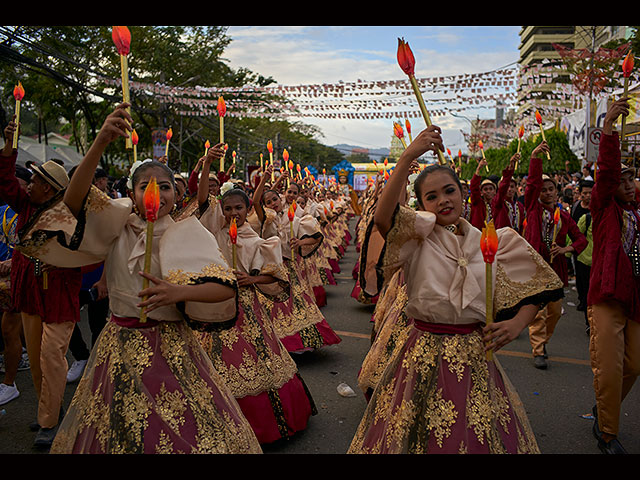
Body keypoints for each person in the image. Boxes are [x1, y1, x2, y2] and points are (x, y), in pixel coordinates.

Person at [17, 104, 261, 454]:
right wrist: (100, 142)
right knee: (119, 429)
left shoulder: (188, 231)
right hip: (118, 343)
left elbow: (223, 287)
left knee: (179, 430)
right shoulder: (117, 225)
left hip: (172, 346)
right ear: (130, 194)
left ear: (177, 196)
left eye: (164, 187)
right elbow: (74, 201)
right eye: (144, 186)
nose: (155, 193)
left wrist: (177, 291)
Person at [348, 125, 564, 454]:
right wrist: (408, 156)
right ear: (420, 205)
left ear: (462, 193)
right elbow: (383, 218)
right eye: (431, 197)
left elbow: (538, 286)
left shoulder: (494, 241)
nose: (443, 201)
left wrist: (517, 323)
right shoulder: (418, 234)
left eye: (449, 191)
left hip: (475, 355)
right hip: (422, 353)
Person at [196, 160, 316, 443]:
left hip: (248, 310)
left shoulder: (257, 241)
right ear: (221, 211)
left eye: (239, 208)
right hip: (216, 308)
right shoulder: (212, 236)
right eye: (228, 209)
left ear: (248, 209)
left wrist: (251, 280)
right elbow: (202, 201)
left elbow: (277, 276)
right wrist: (207, 167)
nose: (233, 213)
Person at [0, 118, 83, 448]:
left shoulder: (70, 216)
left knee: (51, 356)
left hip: (59, 296)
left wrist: (61, 258)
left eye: (34, 181)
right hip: (30, 293)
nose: (28, 185)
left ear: (49, 188)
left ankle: (49, 421)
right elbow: (5, 181)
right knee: (35, 358)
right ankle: (51, 410)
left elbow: (89, 253)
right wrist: (9, 145)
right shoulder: (25, 205)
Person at [587, 97, 640, 455]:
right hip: (606, 298)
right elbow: (606, 173)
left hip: (634, 299)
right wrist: (608, 129)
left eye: (631, 177)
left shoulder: (638, 212)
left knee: (634, 365)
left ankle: (604, 408)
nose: (628, 185)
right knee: (608, 370)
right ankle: (607, 431)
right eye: (622, 181)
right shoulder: (604, 207)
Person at [523, 141, 587, 369]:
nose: (547, 193)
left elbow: (581, 239)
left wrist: (566, 249)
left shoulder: (564, 215)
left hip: (557, 268)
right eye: (543, 189)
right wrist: (534, 157)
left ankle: (543, 342)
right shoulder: (533, 208)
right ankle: (538, 349)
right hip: (536, 265)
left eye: (551, 189)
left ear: (556, 191)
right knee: (538, 312)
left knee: (554, 312)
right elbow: (531, 184)